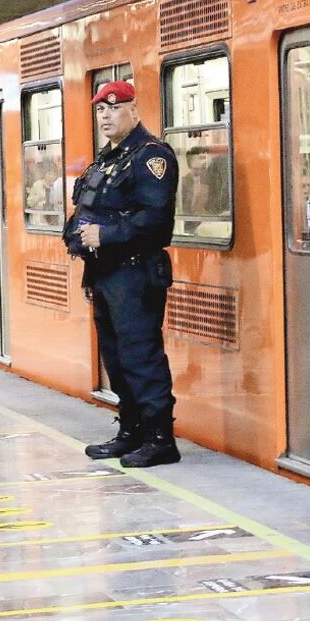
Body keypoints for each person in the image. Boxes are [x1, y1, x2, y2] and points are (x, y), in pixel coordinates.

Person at [63, 80, 181, 468]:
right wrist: (88, 273)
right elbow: (88, 213)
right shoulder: (106, 160)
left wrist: (106, 234)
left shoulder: (150, 157)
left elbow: (156, 221)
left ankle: (161, 439)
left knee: (141, 356)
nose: (106, 116)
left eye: (115, 108)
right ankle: (130, 432)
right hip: (105, 275)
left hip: (136, 274)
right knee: (116, 357)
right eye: (101, 110)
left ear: (134, 110)